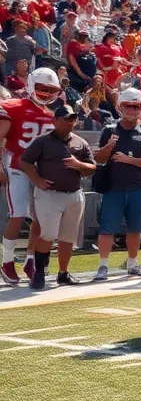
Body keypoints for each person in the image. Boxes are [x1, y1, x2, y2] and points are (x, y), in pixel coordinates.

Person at [20, 106, 96, 289]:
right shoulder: (43, 142)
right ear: (56, 121)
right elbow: (25, 161)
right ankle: (39, 273)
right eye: (66, 119)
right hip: (49, 194)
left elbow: (92, 167)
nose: (70, 122)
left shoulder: (80, 142)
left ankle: (63, 273)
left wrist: (79, 165)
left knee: (68, 237)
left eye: (73, 119)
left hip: (74, 194)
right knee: (48, 234)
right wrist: (37, 179)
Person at [0, 67, 59, 285]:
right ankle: (7, 262)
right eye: (42, 88)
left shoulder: (52, 116)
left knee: (40, 219)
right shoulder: (13, 107)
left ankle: (31, 259)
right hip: (16, 167)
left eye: (50, 90)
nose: (45, 93)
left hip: (39, 172)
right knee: (17, 215)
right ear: (32, 85)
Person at [93, 88, 141, 280]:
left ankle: (133, 263)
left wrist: (130, 161)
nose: (132, 109)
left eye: (136, 106)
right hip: (113, 187)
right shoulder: (109, 130)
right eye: (129, 106)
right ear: (121, 107)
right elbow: (99, 158)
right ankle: (103, 266)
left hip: (137, 187)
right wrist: (109, 146)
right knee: (107, 229)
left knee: (135, 229)